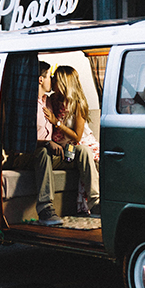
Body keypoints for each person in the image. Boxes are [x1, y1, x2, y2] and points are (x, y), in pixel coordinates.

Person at [45, 65, 100, 216]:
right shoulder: (51, 100)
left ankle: (96, 203)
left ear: (63, 82)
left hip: (73, 145)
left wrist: (57, 123)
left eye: (55, 79)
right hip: (58, 149)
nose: (52, 81)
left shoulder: (78, 104)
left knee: (87, 152)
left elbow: (77, 136)